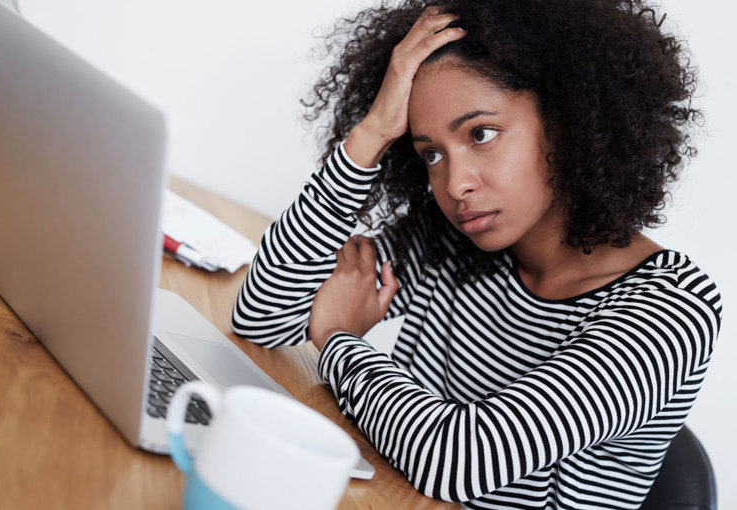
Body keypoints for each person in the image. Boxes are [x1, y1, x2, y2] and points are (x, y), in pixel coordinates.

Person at [232, 0, 722, 508]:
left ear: (566, 123)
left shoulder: (672, 308)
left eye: (481, 134)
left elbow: (454, 459)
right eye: (432, 154)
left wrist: (338, 340)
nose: (455, 184)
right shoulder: (448, 241)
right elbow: (262, 317)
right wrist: (372, 133)